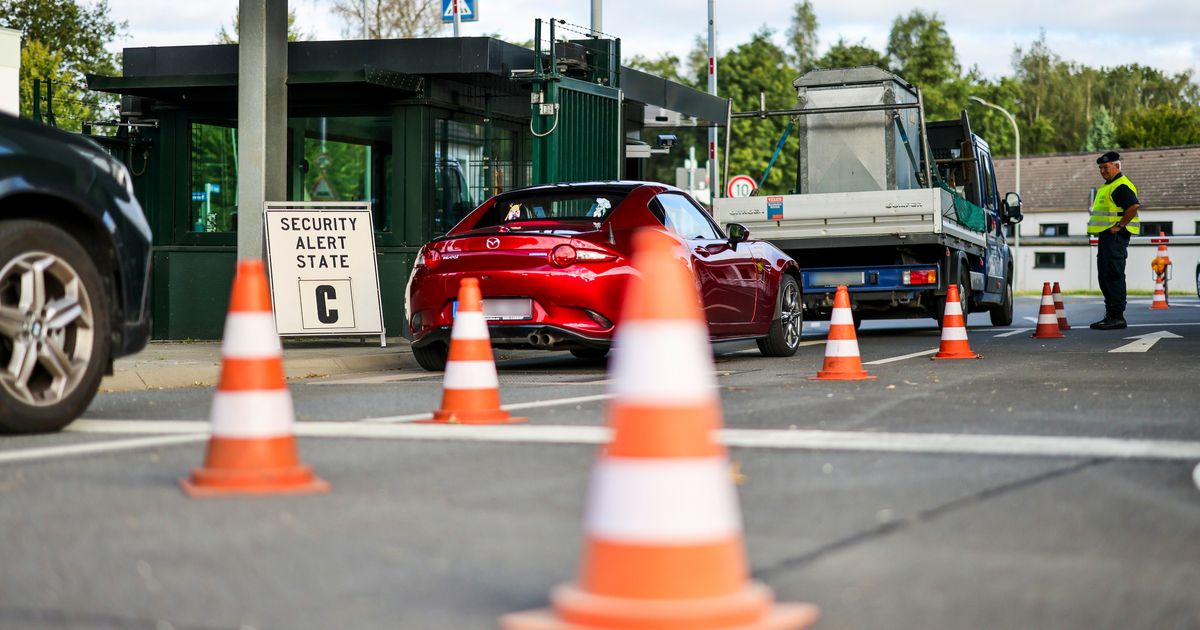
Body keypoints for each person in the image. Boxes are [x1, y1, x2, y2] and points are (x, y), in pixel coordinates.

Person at [1088, 151, 1141, 330]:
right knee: (1105, 275)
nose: (1102, 171)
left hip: (1115, 236)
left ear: (1117, 166)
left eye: (1106, 167)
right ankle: (1111, 315)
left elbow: (1133, 206)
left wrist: (1120, 225)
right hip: (1108, 236)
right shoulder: (1109, 185)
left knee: (1113, 275)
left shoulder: (1120, 185)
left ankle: (1117, 316)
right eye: (1101, 168)